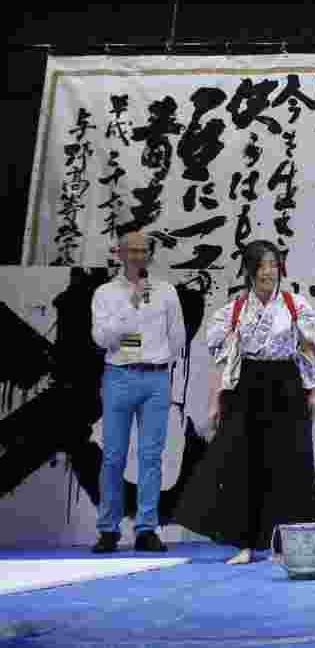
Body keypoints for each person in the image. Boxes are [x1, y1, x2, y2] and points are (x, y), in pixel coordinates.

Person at [173, 240, 315, 564]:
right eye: (262, 265)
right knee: (242, 464)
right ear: (250, 270)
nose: (268, 271)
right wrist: (216, 403)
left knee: (288, 465)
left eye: (273, 264)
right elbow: (223, 360)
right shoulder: (235, 310)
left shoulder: (295, 305)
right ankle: (244, 543)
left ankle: (282, 545)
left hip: (286, 384)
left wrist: (313, 391)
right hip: (247, 386)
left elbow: (309, 350)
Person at [90, 228, 187, 553]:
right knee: (113, 456)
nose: (138, 256)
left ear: (150, 254)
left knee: (150, 457)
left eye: (143, 250)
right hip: (118, 376)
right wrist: (130, 307)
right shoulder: (105, 293)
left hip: (155, 379)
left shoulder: (166, 291)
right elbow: (102, 339)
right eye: (131, 251)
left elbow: (177, 337)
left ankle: (146, 528)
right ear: (119, 254)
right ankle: (108, 528)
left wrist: (155, 356)